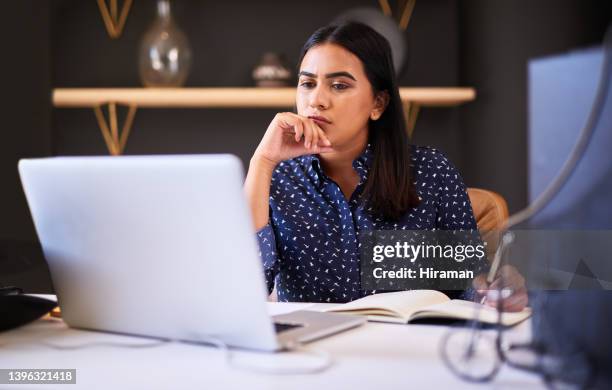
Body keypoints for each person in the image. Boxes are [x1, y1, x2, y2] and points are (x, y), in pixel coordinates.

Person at [244, 22, 527, 311]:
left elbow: (468, 286)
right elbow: (244, 290)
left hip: (407, 350)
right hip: (311, 353)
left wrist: (495, 291)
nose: (316, 100)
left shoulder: (431, 172)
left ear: (378, 103)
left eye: (339, 85)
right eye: (307, 84)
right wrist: (262, 161)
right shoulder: (278, 178)